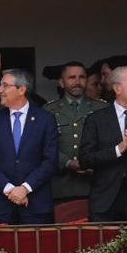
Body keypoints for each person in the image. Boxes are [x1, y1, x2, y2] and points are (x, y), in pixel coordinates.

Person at [0, 68, 59, 225]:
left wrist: (25, 188)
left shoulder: (45, 119)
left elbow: (50, 161)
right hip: (0, 205)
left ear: (22, 89)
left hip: (36, 204)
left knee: (37, 249)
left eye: (5, 85)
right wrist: (10, 189)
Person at [79, 66, 127, 222]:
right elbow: (85, 159)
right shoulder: (97, 119)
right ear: (117, 88)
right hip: (105, 202)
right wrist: (118, 149)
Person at [44, 61, 106, 215]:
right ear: (61, 82)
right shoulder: (48, 110)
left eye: (82, 77)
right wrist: (68, 163)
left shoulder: (102, 108)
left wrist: (94, 163)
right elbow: (44, 146)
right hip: (61, 186)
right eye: (72, 77)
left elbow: (108, 144)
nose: (77, 82)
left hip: (95, 185)